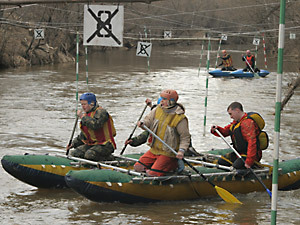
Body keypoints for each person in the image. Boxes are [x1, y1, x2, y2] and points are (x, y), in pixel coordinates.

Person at [133, 89, 191, 176]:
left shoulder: (180, 118)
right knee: (138, 167)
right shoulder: (157, 109)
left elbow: (185, 137)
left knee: (153, 174)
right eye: (161, 98)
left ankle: (172, 166)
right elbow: (148, 121)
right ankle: (154, 169)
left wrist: (181, 151)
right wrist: (143, 124)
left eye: (164, 99)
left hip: (168, 153)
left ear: (171, 101)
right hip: (155, 150)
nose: (162, 101)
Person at [210, 102, 262, 170]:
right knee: (221, 161)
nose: (231, 117)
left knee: (237, 166)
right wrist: (217, 129)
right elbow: (225, 132)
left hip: (250, 156)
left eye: (231, 114)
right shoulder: (236, 123)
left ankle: (252, 167)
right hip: (239, 153)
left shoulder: (247, 124)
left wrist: (249, 162)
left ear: (237, 110)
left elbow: (252, 143)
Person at [66, 92, 116, 161]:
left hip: (106, 145)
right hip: (93, 144)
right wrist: (73, 144)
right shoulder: (87, 116)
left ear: (91, 104)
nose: (83, 107)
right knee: (75, 153)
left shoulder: (101, 112)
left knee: (89, 155)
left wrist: (82, 117)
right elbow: (84, 135)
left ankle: (109, 159)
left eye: (85, 104)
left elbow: (95, 125)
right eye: (82, 104)